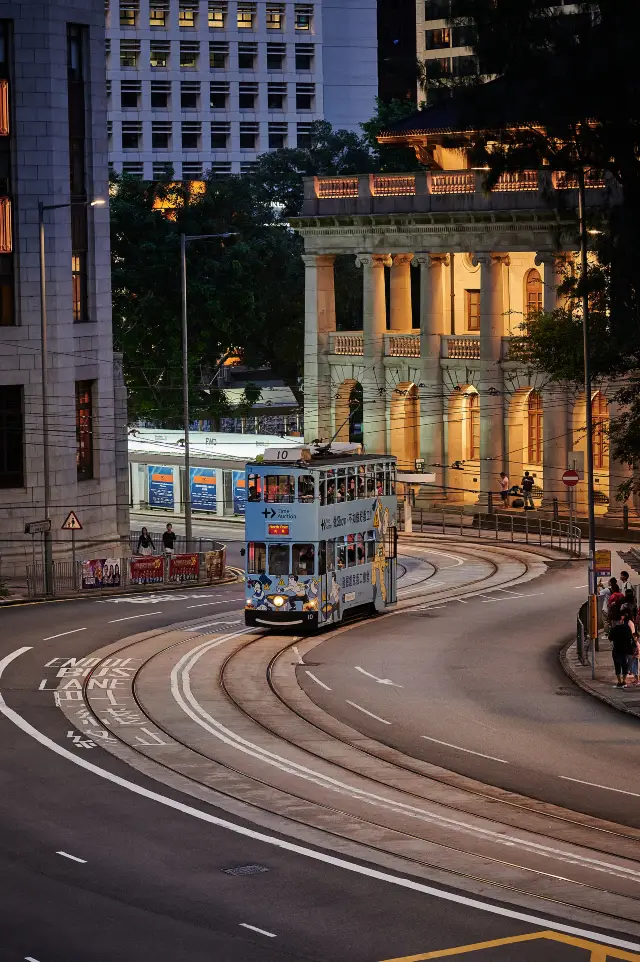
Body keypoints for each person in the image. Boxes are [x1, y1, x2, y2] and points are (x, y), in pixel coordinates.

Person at [609, 612, 635, 688]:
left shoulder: (613, 629)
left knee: (617, 665)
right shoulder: (627, 628)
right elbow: (631, 637)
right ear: (621, 620)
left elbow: (610, 638)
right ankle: (624, 681)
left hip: (616, 649)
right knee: (625, 665)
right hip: (625, 649)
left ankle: (619, 681)